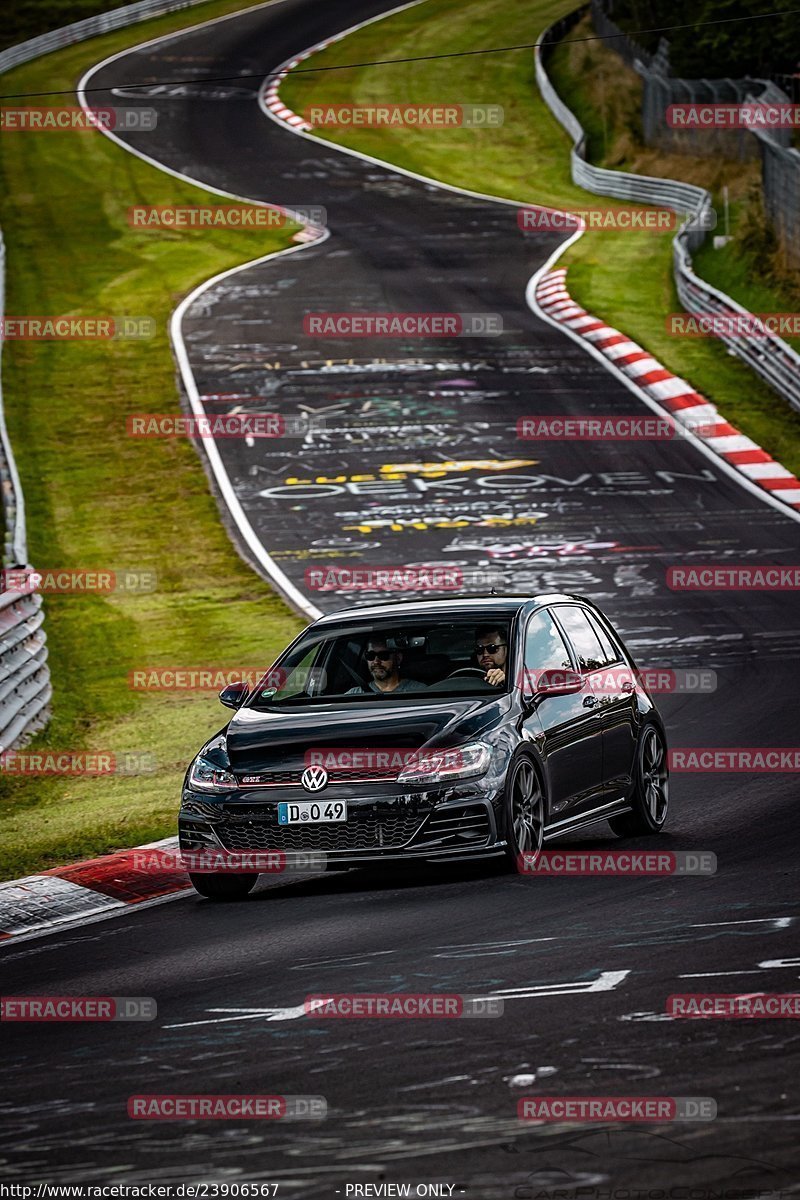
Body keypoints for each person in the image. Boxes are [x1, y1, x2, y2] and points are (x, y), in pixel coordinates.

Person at [346, 636, 425, 695]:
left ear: (398, 658)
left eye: (383, 655)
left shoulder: (419, 691)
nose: (376, 662)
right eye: (370, 655)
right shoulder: (354, 694)